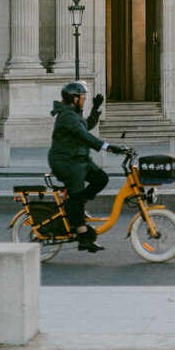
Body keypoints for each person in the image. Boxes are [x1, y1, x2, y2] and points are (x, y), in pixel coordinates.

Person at [48, 81, 120, 251]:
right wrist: (107, 147)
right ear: (73, 98)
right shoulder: (66, 115)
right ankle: (82, 236)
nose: (84, 99)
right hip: (66, 162)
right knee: (77, 194)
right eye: (83, 97)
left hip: (78, 159)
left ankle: (74, 207)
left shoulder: (73, 114)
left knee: (101, 179)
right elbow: (83, 135)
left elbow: (87, 125)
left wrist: (95, 109)